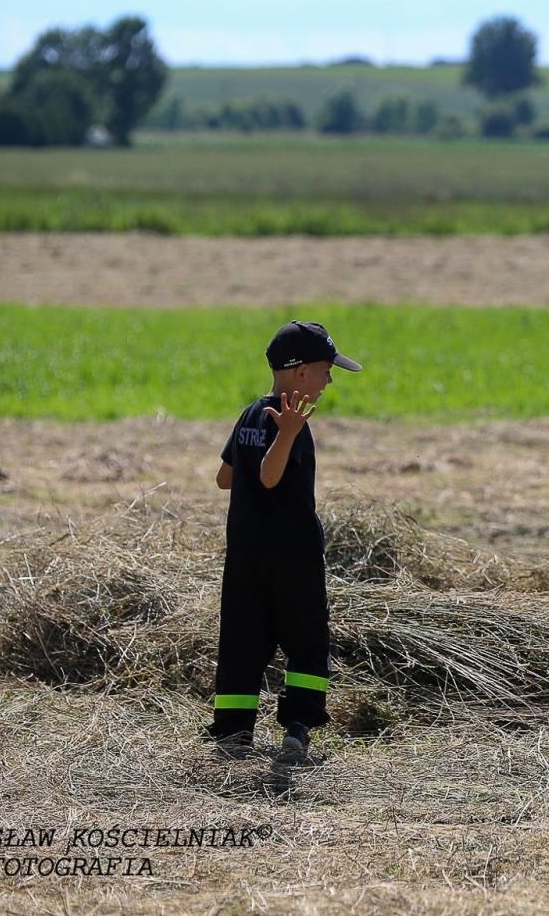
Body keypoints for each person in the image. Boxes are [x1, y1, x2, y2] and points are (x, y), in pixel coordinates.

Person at [208, 320, 362, 766]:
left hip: (245, 555)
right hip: (292, 555)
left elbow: (225, 478)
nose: (329, 380)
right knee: (307, 639)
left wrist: (259, 452)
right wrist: (289, 434)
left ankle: (233, 734)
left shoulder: (250, 414)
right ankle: (298, 728)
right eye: (325, 370)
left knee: (242, 641)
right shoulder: (290, 422)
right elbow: (269, 476)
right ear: (299, 374)